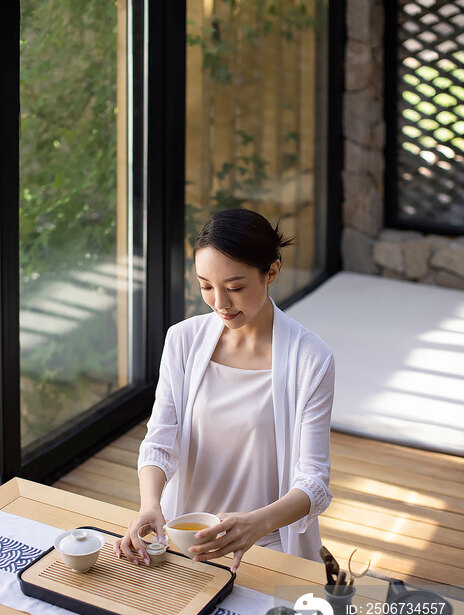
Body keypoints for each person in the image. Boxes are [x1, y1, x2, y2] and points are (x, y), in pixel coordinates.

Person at [114, 208, 335, 573]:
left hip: (267, 543)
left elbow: (314, 483)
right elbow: (160, 441)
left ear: (272, 272)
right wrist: (150, 505)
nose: (220, 302)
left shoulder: (310, 358)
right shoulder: (183, 340)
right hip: (185, 539)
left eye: (234, 287)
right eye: (206, 286)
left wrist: (257, 523)